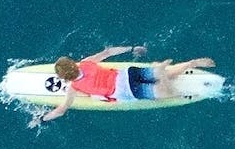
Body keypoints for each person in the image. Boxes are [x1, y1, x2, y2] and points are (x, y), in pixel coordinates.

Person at [33, 45, 216, 121]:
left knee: (167, 94)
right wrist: (133, 48)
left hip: (126, 89)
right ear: (73, 63)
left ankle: (161, 79)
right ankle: (185, 65)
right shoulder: (87, 63)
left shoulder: (74, 87)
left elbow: (61, 110)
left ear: (65, 78)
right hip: (126, 73)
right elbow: (109, 52)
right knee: (165, 73)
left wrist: (42, 118)